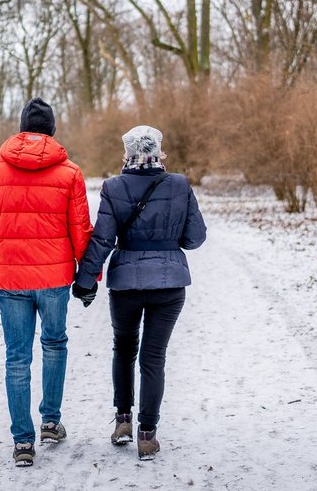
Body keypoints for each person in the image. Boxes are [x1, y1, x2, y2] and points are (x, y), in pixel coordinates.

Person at [0, 98, 94, 467]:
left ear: (22, 128)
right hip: (54, 278)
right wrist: (88, 276)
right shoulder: (70, 172)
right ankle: (51, 422)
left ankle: (23, 441)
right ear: (52, 129)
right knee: (54, 344)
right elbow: (81, 231)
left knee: (17, 357)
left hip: (9, 278)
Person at [72, 124, 207, 461]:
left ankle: (122, 421)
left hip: (126, 285)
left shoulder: (114, 187)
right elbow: (195, 238)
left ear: (128, 152)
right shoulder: (179, 185)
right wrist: (169, 239)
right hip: (169, 285)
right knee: (153, 357)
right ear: (158, 151)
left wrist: (85, 280)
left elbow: (103, 239)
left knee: (124, 349)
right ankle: (147, 435)